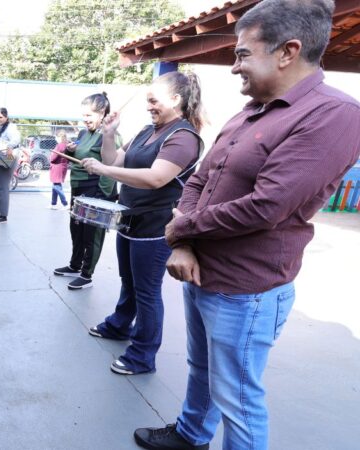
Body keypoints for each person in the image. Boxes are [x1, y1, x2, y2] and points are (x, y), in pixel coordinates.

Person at [133, 1, 360, 449]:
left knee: (237, 399)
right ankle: (191, 434)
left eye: (242, 54)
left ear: (287, 51)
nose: (235, 66)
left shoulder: (334, 114)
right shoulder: (250, 111)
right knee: (201, 370)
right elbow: (200, 178)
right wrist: (184, 244)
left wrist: (181, 230)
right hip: (198, 268)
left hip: (245, 287)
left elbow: (266, 207)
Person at [82, 72, 205, 376]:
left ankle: (142, 355)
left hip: (155, 226)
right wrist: (109, 135)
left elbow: (156, 178)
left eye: (154, 100)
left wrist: (103, 170)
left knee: (147, 291)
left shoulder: (183, 137)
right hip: (130, 218)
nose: (148, 106)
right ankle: (121, 323)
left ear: (175, 100)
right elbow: (115, 163)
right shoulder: (145, 132)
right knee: (130, 281)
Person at [53, 93, 120, 290]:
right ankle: (75, 265)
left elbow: (111, 165)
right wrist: (72, 150)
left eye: (89, 116)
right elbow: (79, 155)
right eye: (83, 115)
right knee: (76, 229)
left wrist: (103, 196)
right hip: (78, 188)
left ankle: (87, 274)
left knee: (92, 234)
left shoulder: (110, 136)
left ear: (102, 113)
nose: (85, 119)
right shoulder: (83, 134)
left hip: (96, 189)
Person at [0, 107, 21, 224]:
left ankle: (3, 216)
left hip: (8, 157)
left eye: (1, 117)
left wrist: (10, 146)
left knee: (3, 187)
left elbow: (16, 138)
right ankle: (2, 213)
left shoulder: (11, 127)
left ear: (6, 117)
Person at [48, 129, 70, 209]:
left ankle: (65, 204)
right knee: (55, 186)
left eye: (56, 137)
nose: (55, 139)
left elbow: (53, 158)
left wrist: (51, 155)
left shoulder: (59, 145)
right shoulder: (66, 144)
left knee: (57, 186)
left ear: (59, 137)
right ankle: (53, 204)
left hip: (57, 168)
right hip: (62, 167)